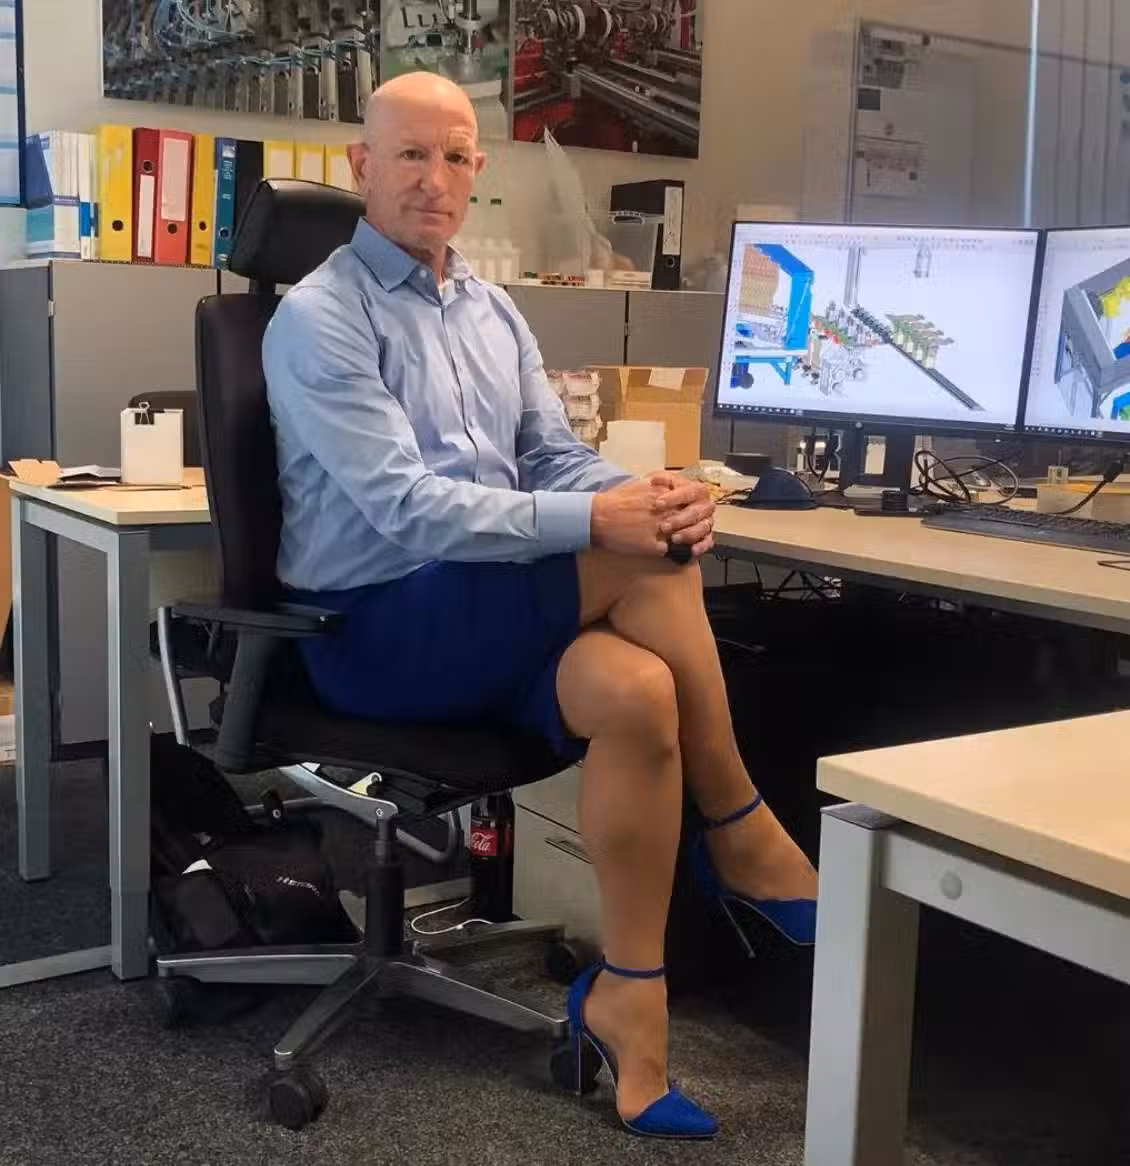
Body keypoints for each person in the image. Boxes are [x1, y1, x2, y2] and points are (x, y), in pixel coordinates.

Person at [263, 71, 818, 1141]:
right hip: (373, 630)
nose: (433, 178)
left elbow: (550, 455)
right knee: (642, 555)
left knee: (639, 691)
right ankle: (742, 829)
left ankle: (631, 1006)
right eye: (410, 154)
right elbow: (407, 508)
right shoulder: (318, 318)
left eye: (455, 156)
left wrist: (639, 491)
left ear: (477, 170)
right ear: (361, 167)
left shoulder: (489, 308)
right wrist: (611, 522)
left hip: (485, 617)